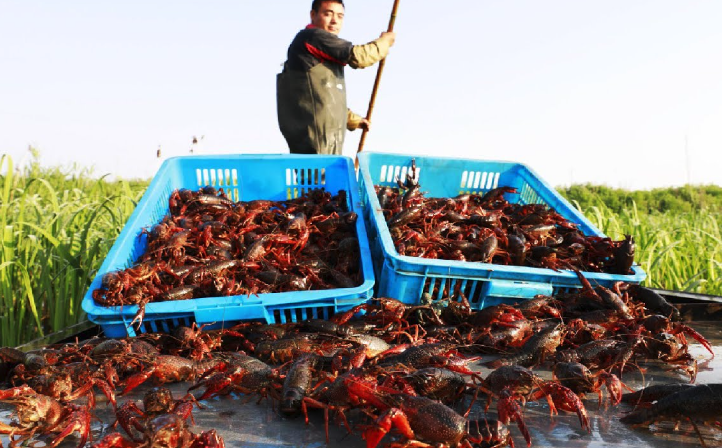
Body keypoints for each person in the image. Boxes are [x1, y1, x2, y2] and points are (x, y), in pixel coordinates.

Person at [277, 0, 396, 155]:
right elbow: (359, 57)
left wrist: (353, 120)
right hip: (316, 148)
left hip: (322, 144)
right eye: (328, 14)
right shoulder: (312, 37)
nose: (335, 21)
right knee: (320, 178)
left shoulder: (318, 50)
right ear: (313, 15)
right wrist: (385, 42)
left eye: (340, 16)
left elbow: (320, 98)